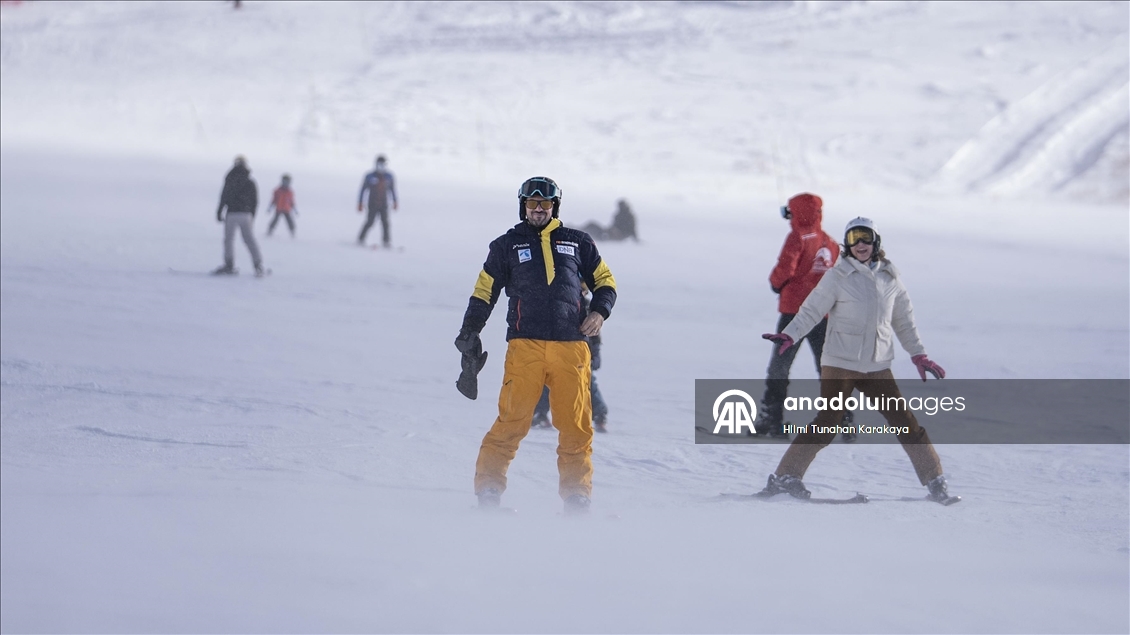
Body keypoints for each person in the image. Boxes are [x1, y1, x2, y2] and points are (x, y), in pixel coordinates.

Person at [761, 217, 955, 503]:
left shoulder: (890, 277)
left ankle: (935, 481)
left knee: (904, 421)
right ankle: (785, 477)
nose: (860, 244)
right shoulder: (838, 276)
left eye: (865, 237)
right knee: (828, 421)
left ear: (876, 241)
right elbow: (811, 310)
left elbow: (903, 320)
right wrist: (791, 334)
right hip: (840, 362)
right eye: (853, 239)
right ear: (847, 244)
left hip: (877, 366)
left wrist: (918, 354)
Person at [455, 176, 617, 515]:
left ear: (555, 206)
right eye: (532, 203)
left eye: (545, 204)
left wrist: (600, 312)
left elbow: (605, 281)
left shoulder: (577, 242)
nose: (539, 209)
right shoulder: (506, 246)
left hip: (571, 349)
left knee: (575, 427)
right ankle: (488, 491)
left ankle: (577, 498)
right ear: (523, 206)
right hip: (524, 347)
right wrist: (470, 330)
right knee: (511, 422)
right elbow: (484, 291)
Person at [758, 193, 840, 438]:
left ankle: (771, 421)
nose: (788, 217)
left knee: (779, 367)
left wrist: (776, 284)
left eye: (790, 212)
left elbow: (785, 268)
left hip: (794, 313)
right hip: (821, 314)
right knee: (827, 368)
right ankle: (840, 421)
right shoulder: (829, 241)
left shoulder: (797, 237)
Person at [532, 288, 610, 433]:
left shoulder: (587, 307)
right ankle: (539, 413)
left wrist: (596, 353)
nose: (583, 293)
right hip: (556, 349)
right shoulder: (556, 303)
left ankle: (599, 415)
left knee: (587, 383)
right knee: (546, 381)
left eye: (585, 290)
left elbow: (594, 334)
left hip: (581, 353)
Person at [213, 156, 264, 276]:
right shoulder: (250, 182)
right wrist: (252, 215)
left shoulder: (230, 179)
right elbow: (255, 201)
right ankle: (258, 265)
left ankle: (229, 264)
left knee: (229, 240)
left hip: (232, 213)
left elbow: (224, 196)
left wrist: (219, 212)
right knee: (250, 240)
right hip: (245, 214)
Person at [357, 155, 398, 247]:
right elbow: (363, 190)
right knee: (370, 221)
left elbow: (392, 190)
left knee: (385, 222)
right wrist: (360, 202)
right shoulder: (370, 176)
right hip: (372, 203)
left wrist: (395, 201)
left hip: (384, 203)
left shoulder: (389, 177)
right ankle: (361, 238)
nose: (381, 167)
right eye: (380, 164)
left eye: (383, 165)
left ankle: (386, 241)